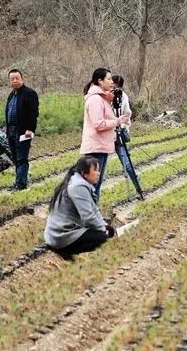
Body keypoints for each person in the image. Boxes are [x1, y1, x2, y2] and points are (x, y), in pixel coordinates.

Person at [44, 156, 115, 260]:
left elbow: (94, 210)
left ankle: (68, 253)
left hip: (60, 232)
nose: (98, 173)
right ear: (84, 173)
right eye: (95, 170)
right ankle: (65, 252)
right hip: (61, 235)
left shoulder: (79, 183)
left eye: (98, 170)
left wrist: (104, 225)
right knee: (101, 238)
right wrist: (104, 231)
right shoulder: (78, 187)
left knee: (100, 233)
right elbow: (88, 217)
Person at [80, 68, 129, 202]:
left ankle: (92, 214)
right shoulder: (95, 100)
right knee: (93, 184)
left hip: (101, 146)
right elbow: (99, 124)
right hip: (96, 147)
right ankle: (89, 216)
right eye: (108, 78)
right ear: (100, 81)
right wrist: (117, 121)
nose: (111, 82)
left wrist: (109, 101)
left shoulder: (102, 98)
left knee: (96, 183)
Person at [5, 69, 39, 190]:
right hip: (12, 131)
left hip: (24, 132)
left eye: (17, 78)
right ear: (9, 81)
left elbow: (33, 113)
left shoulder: (29, 93)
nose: (15, 81)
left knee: (22, 157)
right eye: (12, 79)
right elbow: (9, 113)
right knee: (15, 157)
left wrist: (30, 129)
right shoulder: (11, 96)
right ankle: (18, 180)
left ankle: (21, 184)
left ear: (22, 79)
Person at [112, 75, 144, 200]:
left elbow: (127, 115)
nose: (115, 89)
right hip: (106, 135)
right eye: (114, 85)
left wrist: (122, 124)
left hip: (119, 134)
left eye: (118, 87)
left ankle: (138, 188)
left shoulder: (123, 96)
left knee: (127, 164)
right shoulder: (103, 96)